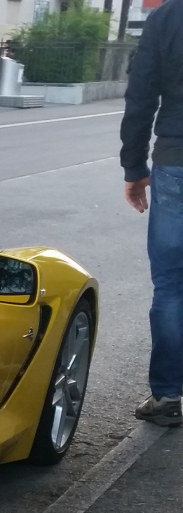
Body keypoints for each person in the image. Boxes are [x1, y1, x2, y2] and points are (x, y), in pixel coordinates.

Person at [123, 0, 183, 426]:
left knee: (171, 285)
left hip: (176, 161)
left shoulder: (166, 18)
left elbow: (142, 94)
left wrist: (134, 167)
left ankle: (167, 397)